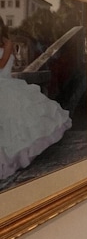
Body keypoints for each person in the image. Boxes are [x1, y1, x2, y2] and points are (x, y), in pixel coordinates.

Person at [0, 17, 72, 182]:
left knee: (13, 121)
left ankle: (18, 157)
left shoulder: (7, 43)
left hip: (5, 84)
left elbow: (3, 64)